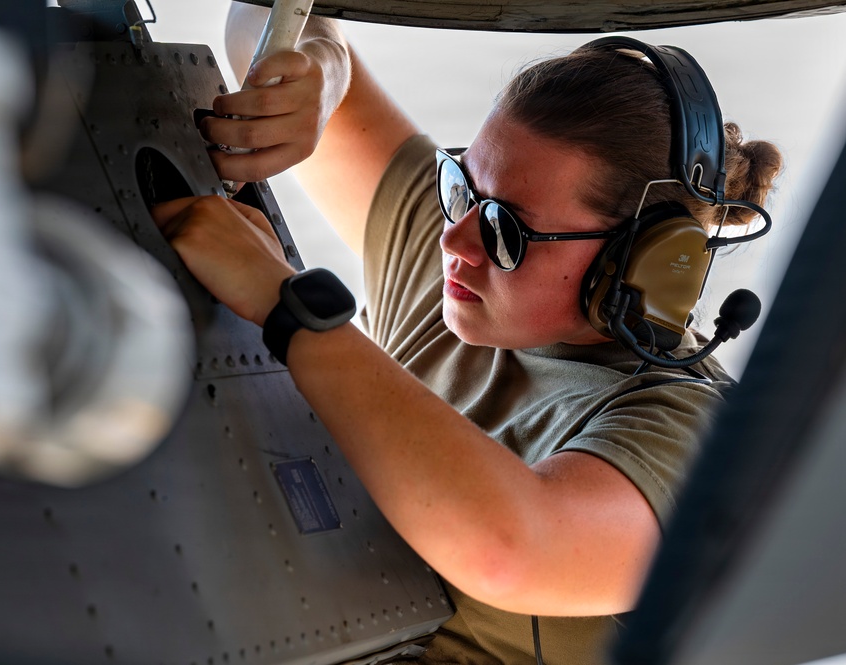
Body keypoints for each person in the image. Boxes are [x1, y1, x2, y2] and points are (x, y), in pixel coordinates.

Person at [152, 5, 783, 664]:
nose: (456, 240)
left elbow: (512, 550)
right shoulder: (455, 264)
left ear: (643, 261)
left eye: (509, 230)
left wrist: (290, 310)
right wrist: (323, 73)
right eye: (461, 187)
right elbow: (262, 17)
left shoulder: (690, 433)